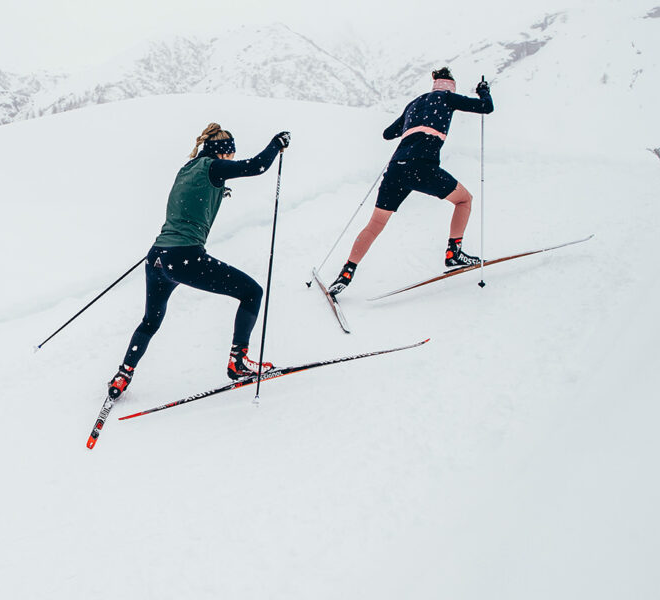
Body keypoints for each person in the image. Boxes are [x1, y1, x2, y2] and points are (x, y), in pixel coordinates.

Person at [106, 123, 291, 399]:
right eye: (231, 155)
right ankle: (238, 361)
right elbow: (257, 166)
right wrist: (277, 143)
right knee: (252, 292)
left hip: (157, 255)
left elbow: (187, 200)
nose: (231, 160)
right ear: (223, 153)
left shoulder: (187, 168)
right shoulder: (215, 166)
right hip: (184, 258)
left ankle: (124, 374)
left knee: (150, 321)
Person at [328, 67, 494, 297]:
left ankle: (346, 272)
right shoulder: (447, 98)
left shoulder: (414, 103)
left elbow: (387, 134)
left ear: (435, 83)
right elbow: (487, 107)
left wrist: (410, 124)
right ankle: (454, 252)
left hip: (396, 169)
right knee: (464, 200)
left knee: (375, 224)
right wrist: (484, 92)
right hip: (423, 167)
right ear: (451, 85)